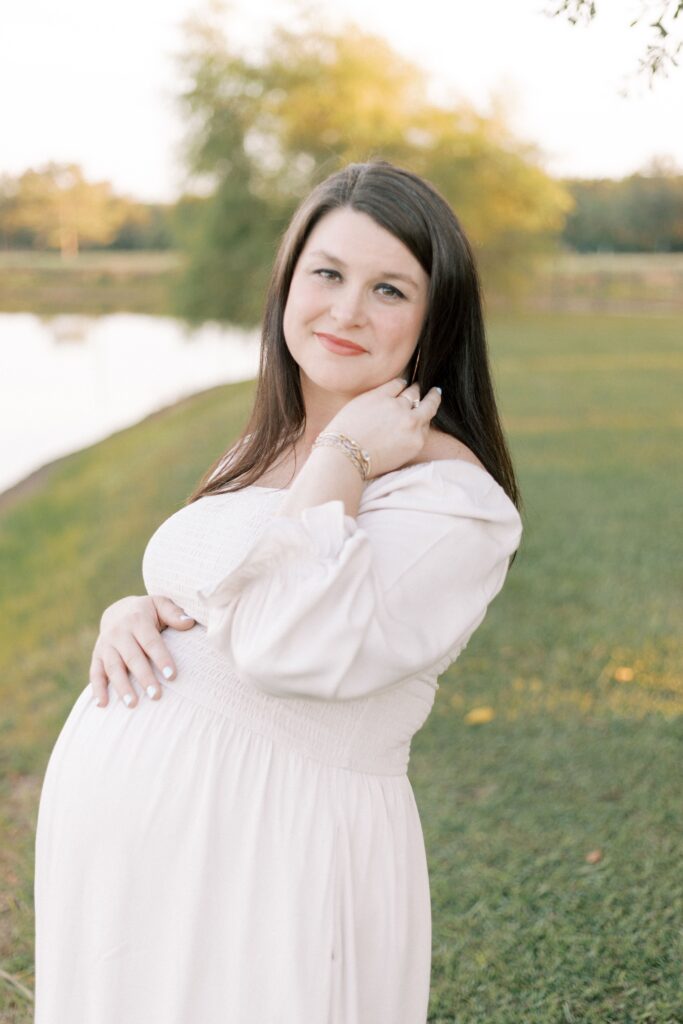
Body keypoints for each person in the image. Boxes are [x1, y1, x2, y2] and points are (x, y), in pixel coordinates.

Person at [33, 160, 523, 1023]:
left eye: (388, 290)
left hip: (270, 857)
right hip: (137, 868)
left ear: (434, 318)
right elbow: (219, 584)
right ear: (287, 282)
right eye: (326, 273)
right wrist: (130, 609)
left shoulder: (453, 501)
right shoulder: (263, 446)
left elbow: (288, 642)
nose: (345, 310)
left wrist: (347, 459)